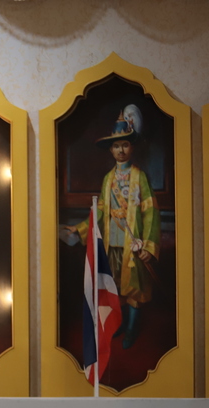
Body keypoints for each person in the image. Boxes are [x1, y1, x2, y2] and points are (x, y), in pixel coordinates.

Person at [63, 105, 160, 349]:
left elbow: (150, 213)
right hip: (112, 242)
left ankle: (132, 328)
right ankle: (121, 323)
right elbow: (100, 211)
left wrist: (148, 245)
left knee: (134, 288)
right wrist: (80, 228)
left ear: (132, 147)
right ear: (111, 149)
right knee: (116, 285)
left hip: (133, 244)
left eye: (125, 145)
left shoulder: (140, 177)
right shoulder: (108, 179)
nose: (121, 150)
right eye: (116, 146)